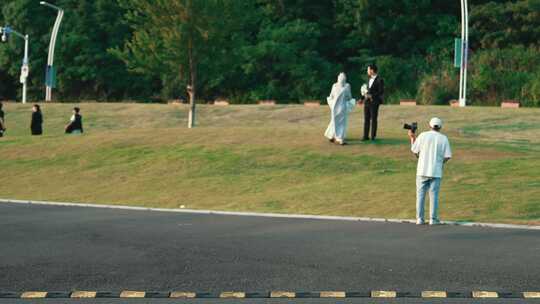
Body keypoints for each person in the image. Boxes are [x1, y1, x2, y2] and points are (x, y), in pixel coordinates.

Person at [408, 117, 452, 225]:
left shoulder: (423, 135)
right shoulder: (443, 138)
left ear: (430, 125)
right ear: (440, 127)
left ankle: (420, 218)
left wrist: (412, 138)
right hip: (435, 172)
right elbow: (447, 156)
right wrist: (440, 163)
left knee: (420, 195)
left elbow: (414, 150)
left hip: (422, 170)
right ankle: (433, 219)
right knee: (434, 196)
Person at [324, 72, 356, 145]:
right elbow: (349, 97)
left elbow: (331, 96)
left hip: (334, 107)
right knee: (341, 123)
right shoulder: (347, 86)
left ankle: (331, 135)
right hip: (342, 107)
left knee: (334, 122)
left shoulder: (334, 86)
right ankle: (340, 138)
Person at [361, 64, 384, 141]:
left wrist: (372, 96)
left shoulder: (379, 80)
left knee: (373, 119)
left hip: (374, 102)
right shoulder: (368, 79)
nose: (367, 71)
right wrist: (362, 98)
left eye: (368, 69)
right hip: (367, 102)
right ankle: (365, 136)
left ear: (372, 70)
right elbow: (366, 90)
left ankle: (373, 136)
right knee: (366, 119)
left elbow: (381, 92)